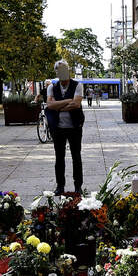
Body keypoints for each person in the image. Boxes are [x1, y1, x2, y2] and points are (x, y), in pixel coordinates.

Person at [45, 59, 85, 195]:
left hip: (74, 126)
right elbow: (49, 105)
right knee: (59, 157)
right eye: (58, 70)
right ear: (56, 72)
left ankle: (78, 186)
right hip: (58, 128)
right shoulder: (52, 87)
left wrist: (58, 106)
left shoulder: (78, 85)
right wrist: (68, 101)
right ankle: (60, 186)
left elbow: (76, 104)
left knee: (76, 157)